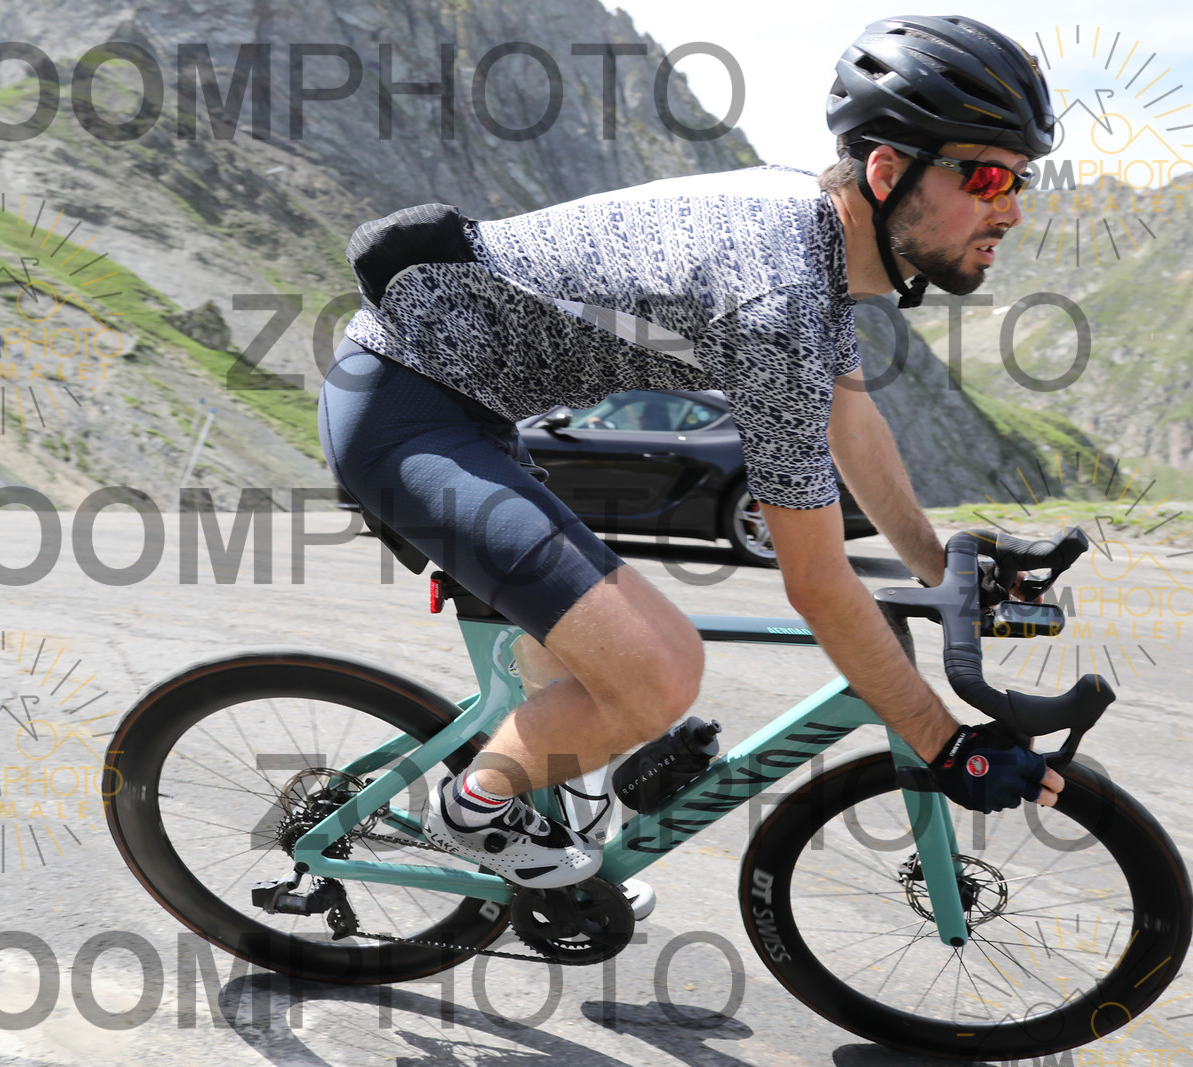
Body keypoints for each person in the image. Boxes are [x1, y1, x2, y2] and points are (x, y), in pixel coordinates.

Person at [317, 15, 1064, 892]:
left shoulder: (812, 238)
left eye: (1020, 178)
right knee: (659, 671)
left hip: (472, 410)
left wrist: (942, 567)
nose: (1012, 208)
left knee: (599, 665)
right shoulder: (777, 298)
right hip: (405, 412)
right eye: (986, 176)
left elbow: (849, 419)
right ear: (887, 173)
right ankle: (471, 809)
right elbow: (818, 581)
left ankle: (559, 782)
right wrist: (947, 745)